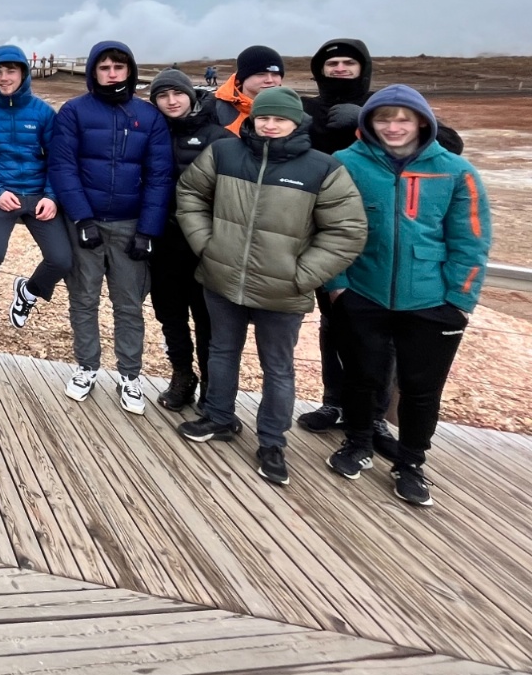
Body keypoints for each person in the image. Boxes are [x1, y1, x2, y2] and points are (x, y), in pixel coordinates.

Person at [173, 87, 367, 486]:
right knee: (221, 351)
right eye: (264, 117)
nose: (270, 125)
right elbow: (190, 193)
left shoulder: (322, 168)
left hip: (284, 289)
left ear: (296, 122)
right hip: (222, 276)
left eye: (280, 119)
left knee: (277, 368)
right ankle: (219, 417)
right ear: (253, 118)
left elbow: (347, 230)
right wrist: (207, 245)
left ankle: (272, 442)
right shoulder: (224, 153)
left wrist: (303, 275)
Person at [324, 86, 492, 507]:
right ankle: (358, 442)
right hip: (362, 293)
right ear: (369, 122)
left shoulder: (456, 171)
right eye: (384, 118)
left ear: (421, 121)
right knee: (361, 377)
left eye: (403, 118)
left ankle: (411, 462)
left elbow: (471, 241)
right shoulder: (345, 163)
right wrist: (337, 285)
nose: (393, 127)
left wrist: (460, 301)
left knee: (421, 388)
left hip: (432, 301)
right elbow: (326, 227)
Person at [295, 37, 465, 437]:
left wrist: (363, 121)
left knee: (382, 333)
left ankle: (373, 415)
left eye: (348, 63)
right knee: (334, 321)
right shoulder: (309, 108)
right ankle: (334, 402)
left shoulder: (382, 105)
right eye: (332, 63)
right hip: (326, 232)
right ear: (320, 70)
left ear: (363, 68)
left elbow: (450, 143)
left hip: (384, 235)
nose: (339, 69)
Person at [48, 40, 173, 414]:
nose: (112, 74)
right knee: (83, 299)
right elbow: (63, 167)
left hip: (130, 223)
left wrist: (148, 230)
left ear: (130, 71)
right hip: (85, 222)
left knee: (129, 304)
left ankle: (130, 375)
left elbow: (159, 175)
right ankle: (86, 366)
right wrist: (81, 217)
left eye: (119, 67)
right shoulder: (73, 112)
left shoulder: (149, 117)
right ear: (93, 72)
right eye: (104, 68)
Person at [0, 45, 70, 332]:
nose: (4, 77)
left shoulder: (43, 112)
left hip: (38, 196)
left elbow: (58, 159)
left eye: (11, 70)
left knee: (61, 260)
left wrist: (52, 196)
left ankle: (28, 291)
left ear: (23, 72)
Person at [145, 69, 230, 410]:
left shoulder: (218, 136)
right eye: (162, 96)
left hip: (204, 243)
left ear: (190, 95)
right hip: (163, 239)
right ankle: (182, 375)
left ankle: (212, 384)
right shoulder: (152, 133)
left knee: (207, 317)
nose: (171, 101)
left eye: (177, 93)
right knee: (170, 314)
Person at [211, 45, 285, 134]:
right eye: (261, 74)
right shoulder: (213, 110)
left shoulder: (294, 109)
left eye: (275, 74)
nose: (270, 80)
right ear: (242, 78)